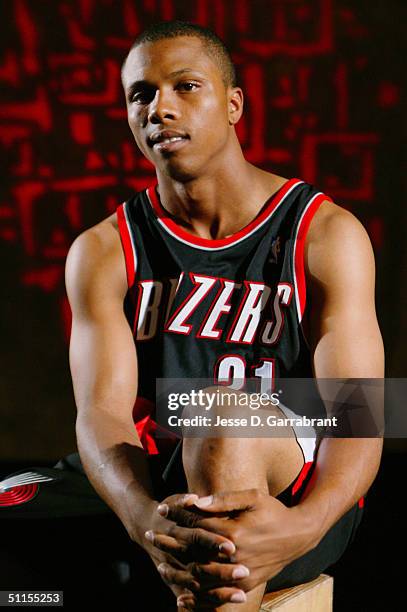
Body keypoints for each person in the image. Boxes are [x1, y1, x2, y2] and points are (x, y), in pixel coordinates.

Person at [64, 20, 384, 611]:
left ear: (233, 104)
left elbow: (361, 410)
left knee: (224, 415)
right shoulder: (104, 249)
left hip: (296, 482)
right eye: (142, 94)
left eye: (186, 87)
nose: (160, 108)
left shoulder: (325, 234)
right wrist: (146, 526)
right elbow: (100, 413)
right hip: (162, 479)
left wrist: (310, 522)